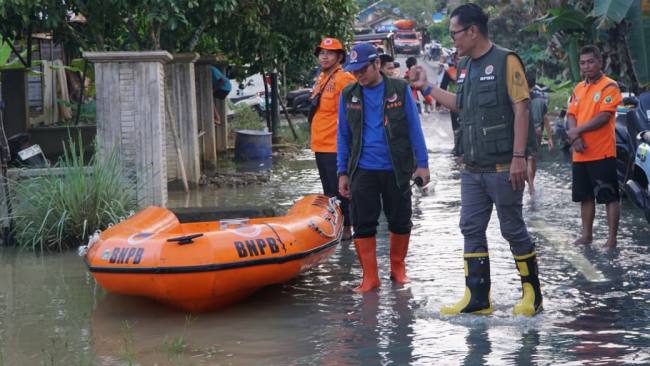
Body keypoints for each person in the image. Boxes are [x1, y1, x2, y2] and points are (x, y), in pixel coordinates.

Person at [411, 3, 542, 316]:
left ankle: (532, 297)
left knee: (512, 229)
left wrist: (518, 157)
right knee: (470, 227)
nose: (452, 39)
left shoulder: (505, 60)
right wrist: (426, 88)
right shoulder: (466, 66)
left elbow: (521, 109)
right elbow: (459, 104)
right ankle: (478, 298)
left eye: (455, 32)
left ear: (472, 31)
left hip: (502, 166)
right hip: (472, 168)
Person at [337, 43, 430, 292]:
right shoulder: (348, 95)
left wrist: (422, 165)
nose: (358, 75)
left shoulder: (399, 90)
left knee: (400, 220)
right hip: (362, 169)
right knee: (363, 222)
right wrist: (342, 173)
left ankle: (398, 268)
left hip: (396, 167)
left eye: (362, 70)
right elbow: (343, 136)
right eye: (354, 71)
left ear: (377, 64)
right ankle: (370, 277)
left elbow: (414, 129)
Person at [566, 45, 622, 249]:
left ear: (599, 62)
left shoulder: (610, 86)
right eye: (582, 63)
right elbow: (571, 114)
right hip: (580, 154)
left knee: (609, 196)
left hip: (602, 152)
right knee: (585, 197)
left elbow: (604, 116)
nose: (586, 66)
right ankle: (587, 235)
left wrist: (576, 131)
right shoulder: (578, 88)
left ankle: (611, 239)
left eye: (590, 62)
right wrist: (574, 137)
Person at [310, 37, 357, 240]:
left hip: (335, 145)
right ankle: (337, 227)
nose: (325, 56)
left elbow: (353, 111)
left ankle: (347, 228)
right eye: (322, 53)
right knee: (329, 191)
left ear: (339, 57)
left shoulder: (344, 79)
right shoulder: (322, 78)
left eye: (330, 53)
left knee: (341, 190)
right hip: (320, 144)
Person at [525, 71, 554, 196]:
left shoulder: (521, 100)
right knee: (533, 159)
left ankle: (530, 186)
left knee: (529, 160)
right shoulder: (541, 100)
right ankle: (531, 186)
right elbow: (546, 119)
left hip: (525, 133)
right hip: (537, 133)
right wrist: (549, 138)